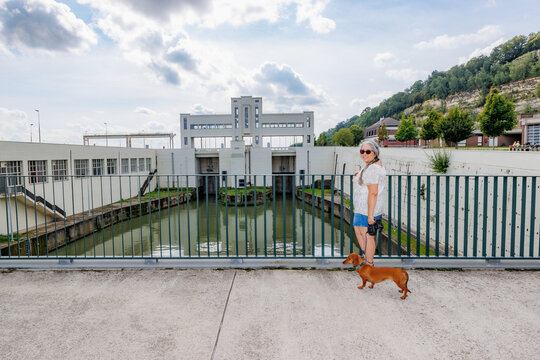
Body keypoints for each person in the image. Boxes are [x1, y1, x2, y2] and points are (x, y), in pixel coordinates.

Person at [353, 140, 386, 266]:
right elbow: (369, 177)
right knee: (359, 230)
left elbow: (373, 193)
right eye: (362, 151)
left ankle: (369, 263)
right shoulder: (372, 165)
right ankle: (366, 257)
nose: (364, 154)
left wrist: (370, 215)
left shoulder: (373, 168)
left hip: (367, 208)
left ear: (375, 153)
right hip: (363, 207)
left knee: (367, 236)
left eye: (368, 151)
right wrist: (360, 173)